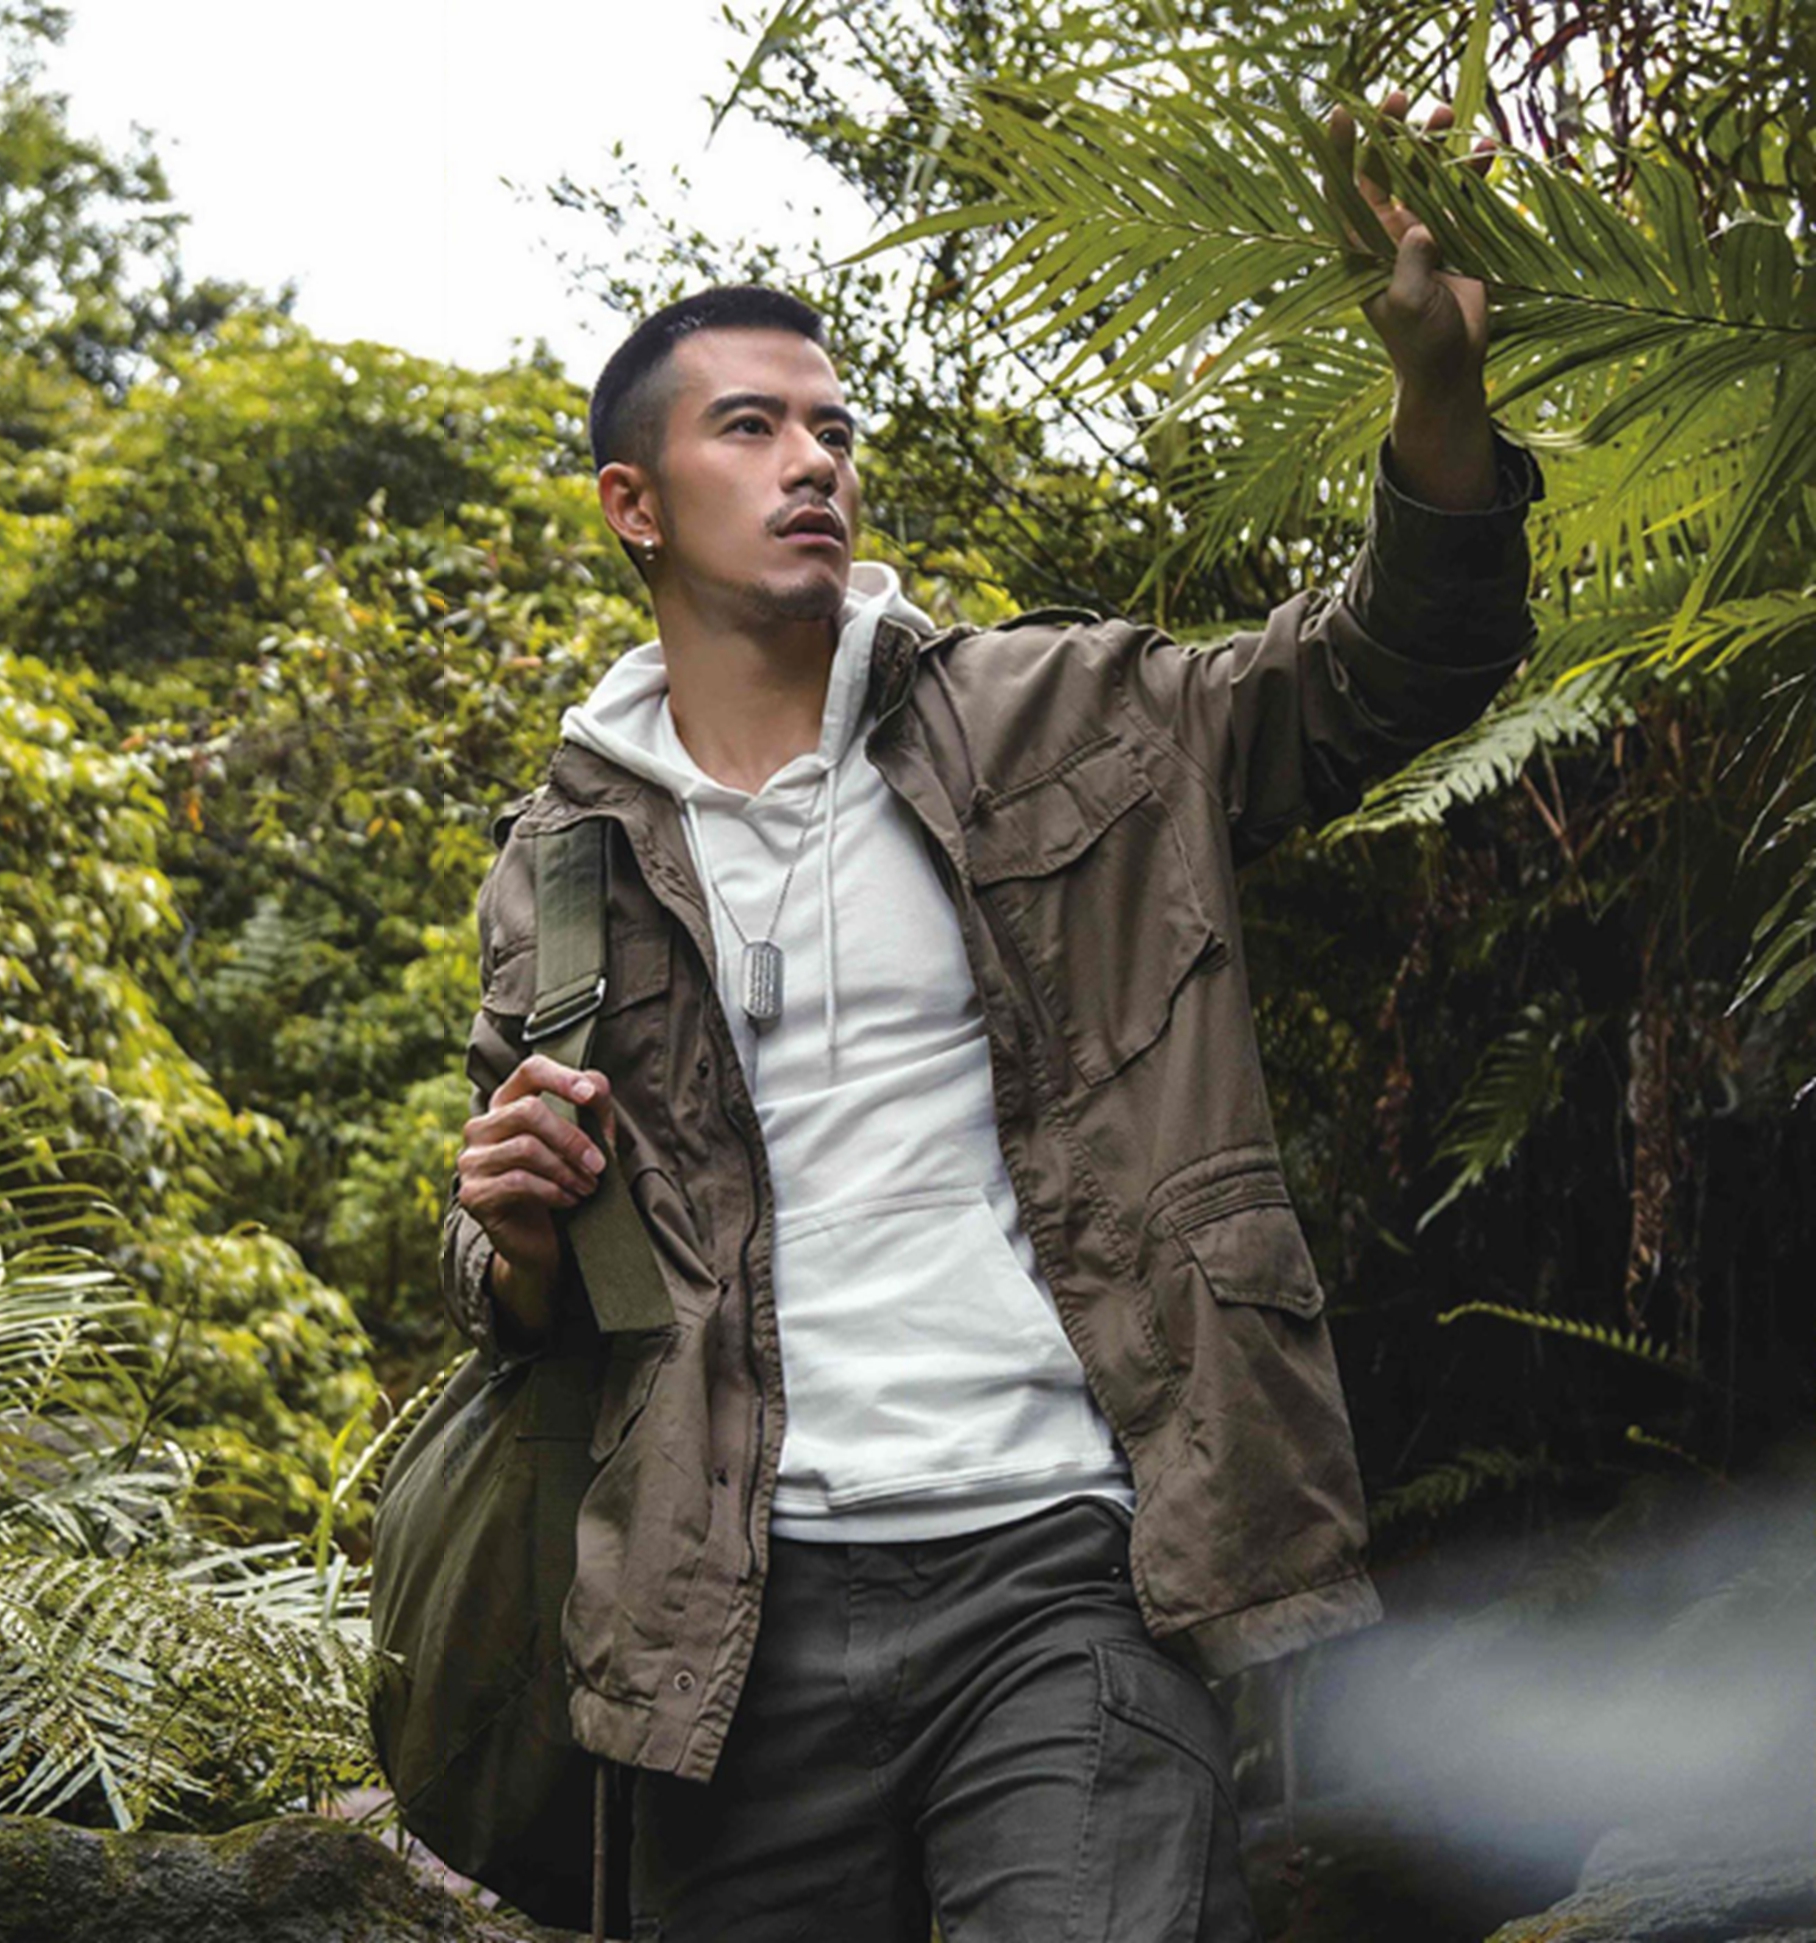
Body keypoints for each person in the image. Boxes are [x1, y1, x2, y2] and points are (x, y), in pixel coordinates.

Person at [438, 90, 1544, 1941]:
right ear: (633, 503)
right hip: (728, 1625)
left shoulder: (1064, 717)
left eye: (831, 428)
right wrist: (520, 1231)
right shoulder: (559, 876)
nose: (813, 461)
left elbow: (1391, 669)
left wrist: (1437, 390)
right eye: (749, 428)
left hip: (1069, 1572)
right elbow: (518, 1286)